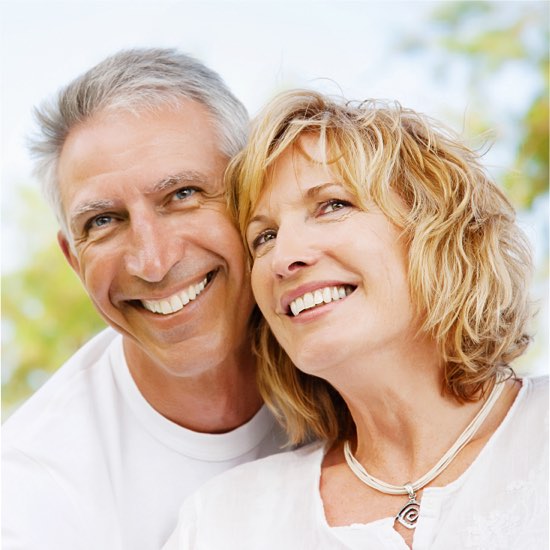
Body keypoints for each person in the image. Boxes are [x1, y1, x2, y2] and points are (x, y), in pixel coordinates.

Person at [163, 90, 548, 549]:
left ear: (439, 232)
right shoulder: (223, 521)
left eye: (332, 206)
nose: (284, 258)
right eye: (264, 237)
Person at [1, 48, 288, 550]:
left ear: (253, 193)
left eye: (182, 195)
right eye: (103, 222)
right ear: (73, 258)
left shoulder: (350, 359)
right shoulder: (32, 490)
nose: (152, 262)